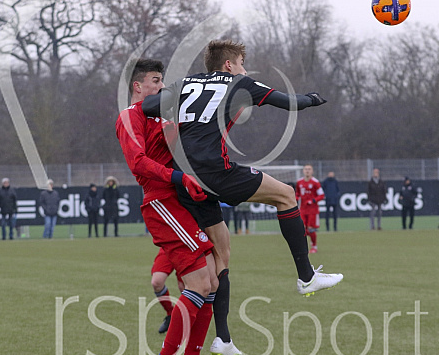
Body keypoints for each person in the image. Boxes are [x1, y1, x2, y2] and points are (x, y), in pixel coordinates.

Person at [141, 39, 343, 298]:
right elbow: (291, 102)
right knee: (286, 196)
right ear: (228, 65)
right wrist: (313, 99)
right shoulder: (239, 83)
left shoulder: (185, 83)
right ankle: (306, 277)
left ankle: (222, 338)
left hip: (185, 180)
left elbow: (147, 107)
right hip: (216, 172)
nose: (245, 71)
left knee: (220, 259)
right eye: (241, 64)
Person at [117, 58, 225, 355]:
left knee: (211, 281)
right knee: (198, 282)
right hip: (161, 202)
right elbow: (138, 163)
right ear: (138, 86)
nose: (161, 87)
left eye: (162, 80)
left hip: (182, 203)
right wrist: (177, 176)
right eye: (155, 80)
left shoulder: (163, 115)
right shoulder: (130, 115)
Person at [296, 164, 325, 253]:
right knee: (302, 229)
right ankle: (304, 247)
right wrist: (295, 199)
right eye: (306, 169)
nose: (307, 171)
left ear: (312, 171)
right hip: (302, 209)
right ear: (303, 171)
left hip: (313, 210)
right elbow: (297, 194)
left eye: (309, 169)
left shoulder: (315, 182)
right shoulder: (299, 182)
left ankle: (314, 246)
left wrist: (313, 200)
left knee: (311, 228)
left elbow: (321, 195)